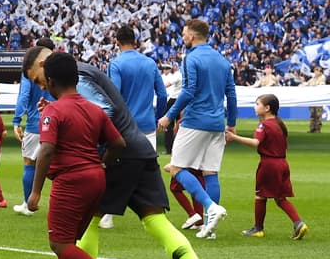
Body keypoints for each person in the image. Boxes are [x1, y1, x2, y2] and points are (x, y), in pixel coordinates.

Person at [24, 44, 228, 259]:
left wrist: (60, 118)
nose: (41, 87)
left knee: (86, 226)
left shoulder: (78, 76)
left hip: (115, 155)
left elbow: (99, 113)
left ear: (45, 66)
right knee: (156, 223)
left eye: (38, 79)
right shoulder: (84, 72)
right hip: (139, 147)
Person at [25, 51, 136, 259]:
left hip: (70, 181)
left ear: (51, 81)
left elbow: (46, 149)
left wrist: (35, 191)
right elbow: (118, 143)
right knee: (68, 243)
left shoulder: (54, 110)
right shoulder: (93, 108)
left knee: (59, 244)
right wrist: (101, 163)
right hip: (96, 179)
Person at [157, 19, 238, 240]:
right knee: (210, 172)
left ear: (191, 36)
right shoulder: (222, 61)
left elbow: (189, 90)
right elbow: (231, 94)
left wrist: (169, 115)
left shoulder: (191, 58)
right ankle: (210, 228)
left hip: (195, 121)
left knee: (176, 168)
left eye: (184, 33)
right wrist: (231, 123)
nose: (183, 37)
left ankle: (210, 207)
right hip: (216, 123)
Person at [104, 24, 168, 229]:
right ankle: (156, 214)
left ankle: (107, 214)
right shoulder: (150, 63)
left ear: (117, 42)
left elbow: (114, 96)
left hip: (125, 126)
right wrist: (158, 117)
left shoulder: (116, 64)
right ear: (135, 42)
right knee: (149, 170)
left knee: (115, 167)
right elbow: (163, 94)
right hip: (147, 125)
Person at [227, 95, 308, 240]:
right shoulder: (279, 123)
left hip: (269, 165)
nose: (255, 106)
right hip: (283, 163)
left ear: (267, 108)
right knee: (280, 198)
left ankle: (258, 229)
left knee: (260, 196)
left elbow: (255, 143)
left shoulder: (264, 125)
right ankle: (299, 223)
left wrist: (234, 137)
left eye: (257, 104)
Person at [12, 38, 51, 216]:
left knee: (29, 163)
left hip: (36, 122)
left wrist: (17, 120)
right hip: (57, 121)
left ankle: (28, 204)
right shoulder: (60, 69)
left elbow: (24, 95)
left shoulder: (31, 70)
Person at [302, 66, 325, 133]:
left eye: (317, 71)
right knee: (312, 115)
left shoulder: (322, 79)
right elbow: (307, 83)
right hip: (312, 99)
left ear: (320, 72)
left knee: (318, 115)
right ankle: (312, 128)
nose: (315, 72)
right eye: (315, 71)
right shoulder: (313, 79)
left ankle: (317, 129)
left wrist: (312, 85)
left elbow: (321, 85)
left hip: (319, 100)